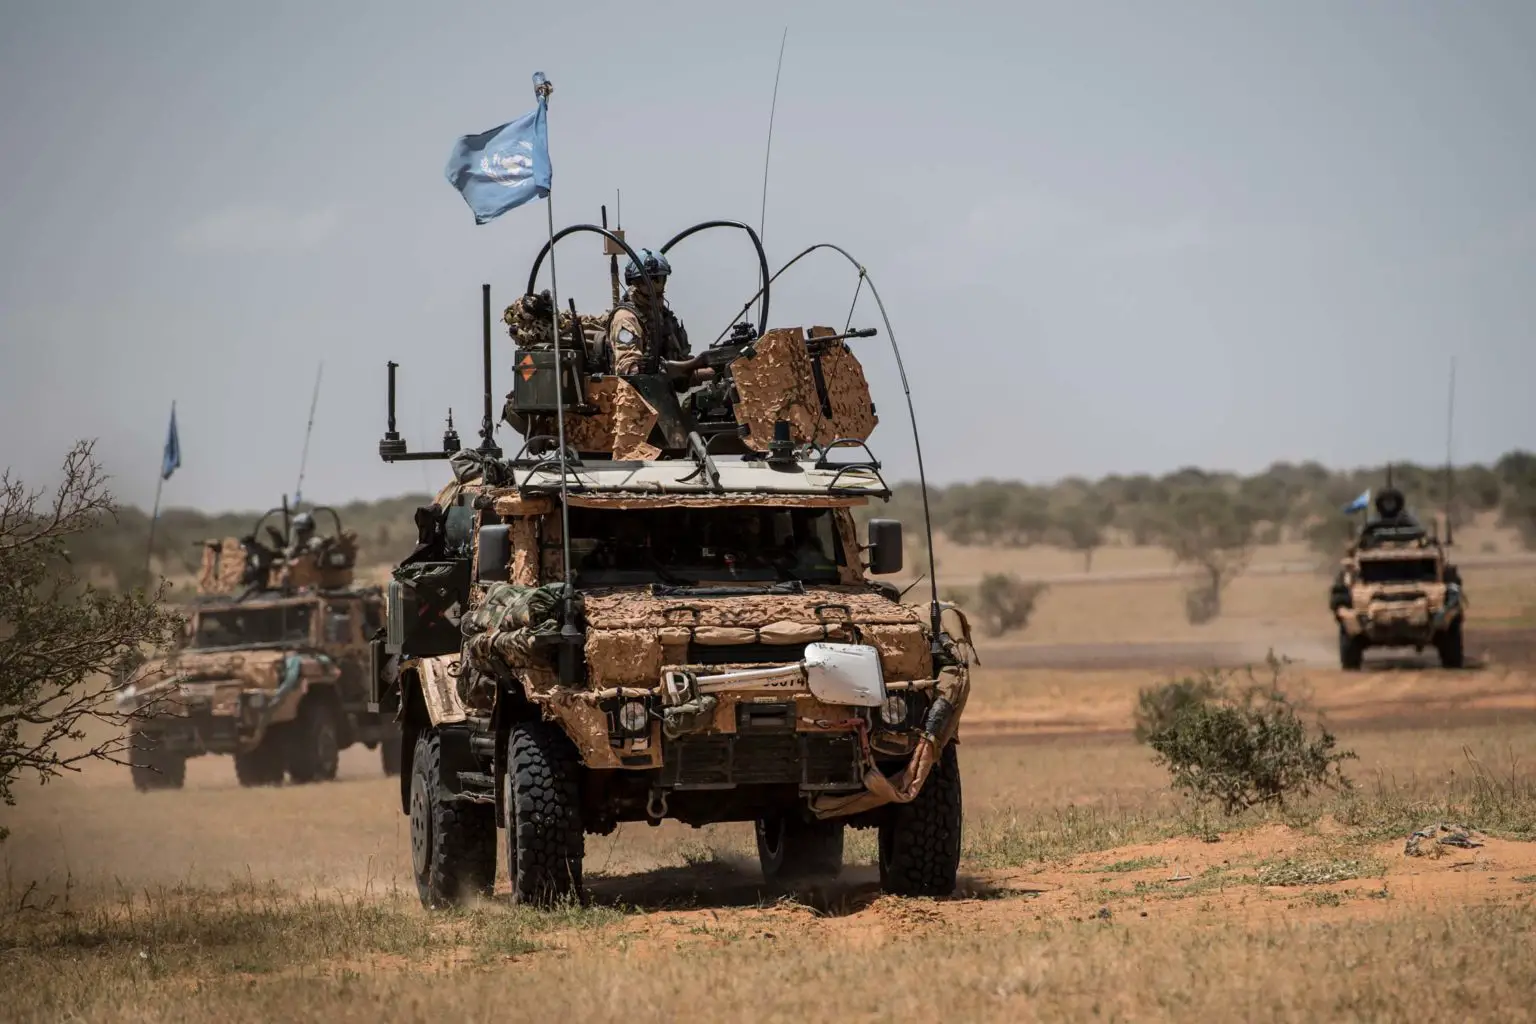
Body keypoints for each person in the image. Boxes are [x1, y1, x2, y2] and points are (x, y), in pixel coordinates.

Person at [607, 248, 690, 374]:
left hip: (663, 390)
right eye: (645, 280)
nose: (652, 284)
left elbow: (681, 367)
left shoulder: (663, 316)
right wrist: (661, 369)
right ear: (635, 282)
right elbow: (627, 369)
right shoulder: (626, 318)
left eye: (657, 279)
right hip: (633, 392)